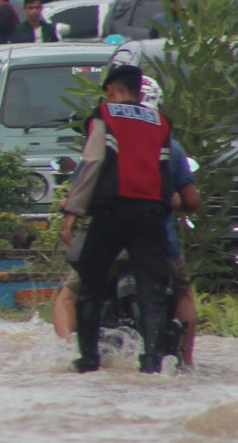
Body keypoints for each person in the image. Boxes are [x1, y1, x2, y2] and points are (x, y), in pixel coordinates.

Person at [61, 62, 175, 373]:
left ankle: (88, 360)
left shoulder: (105, 115)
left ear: (111, 90)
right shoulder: (161, 122)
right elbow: (165, 170)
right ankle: (152, 362)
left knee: (91, 285)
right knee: (153, 291)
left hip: (112, 209)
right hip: (152, 212)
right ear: (139, 92)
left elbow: (92, 162)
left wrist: (73, 211)